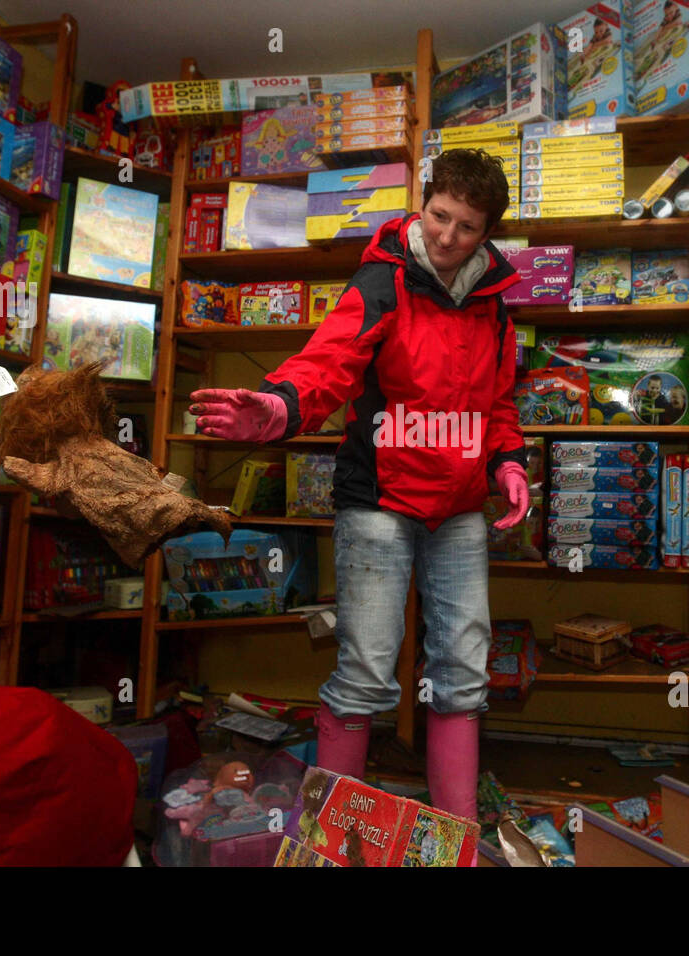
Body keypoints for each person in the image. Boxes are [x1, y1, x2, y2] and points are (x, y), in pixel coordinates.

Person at [188, 149, 529, 859]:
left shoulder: (495, 306)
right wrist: (277, 405)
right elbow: (327, 362)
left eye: (466, 227)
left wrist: (508, 462)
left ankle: (456, 841)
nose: (446, 237)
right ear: (422, 203)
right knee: (369, 668)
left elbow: (498, 403)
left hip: (461, 505)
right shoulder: (382, 280)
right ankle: (321, 840)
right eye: (439, 216)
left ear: (486, 233)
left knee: (463, 671)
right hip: (378, 498)